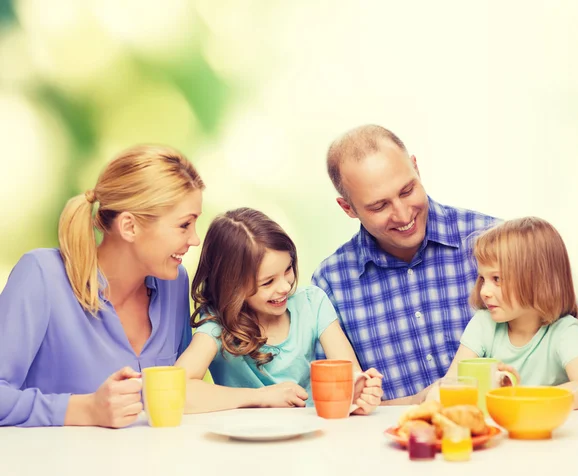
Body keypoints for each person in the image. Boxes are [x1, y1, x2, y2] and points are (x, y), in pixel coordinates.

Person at [312, 124, 578, 404]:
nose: (402, 215)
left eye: (407, 190)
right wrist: (418, 401)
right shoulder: (330, 284)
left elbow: (574, 330)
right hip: (396, 445)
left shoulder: (494, 244)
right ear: (347, 207)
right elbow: (335, 405)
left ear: (416, 168)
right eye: (379, 206)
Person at [0, 145, 205, 427]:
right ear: (129, 227)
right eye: (184, 225)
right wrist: (84, 409)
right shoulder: (42, 276)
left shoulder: (174, 283)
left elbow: (184, 393)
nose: (195, 239)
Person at [176, 207, 383, 414]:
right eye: (268, 282)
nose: (285, 287)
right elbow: (176, 391)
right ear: (232, 286)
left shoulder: (312, 303)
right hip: (245, 441)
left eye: (288, 269)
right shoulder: (218, 324)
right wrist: (260, 397)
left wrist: (359, 395)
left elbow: (350, 376)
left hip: (309, 436)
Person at [434, 217, 578, 410]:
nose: (484, 291)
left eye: (496, 278)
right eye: (482, 278)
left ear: (538, 281)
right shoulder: (483, 324)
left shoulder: (564, 330)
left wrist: (517, 396)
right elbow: (450, 384)